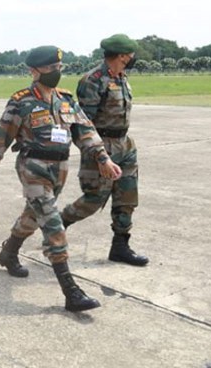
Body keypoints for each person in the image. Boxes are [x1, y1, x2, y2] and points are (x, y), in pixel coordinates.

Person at [0, 46, 122, 312]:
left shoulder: (65, 99)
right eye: (50, 69)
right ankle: (71, 292)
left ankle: (8, 253)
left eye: (58, 68)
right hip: (33, 167)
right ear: (34, 71)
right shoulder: (22, 101)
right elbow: (1, 137)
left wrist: (104, 159)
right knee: (53, 224)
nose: (56, 73)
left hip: (60, 168)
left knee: (33, 215)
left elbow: (85, 131)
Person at [60, 34, 149, 267]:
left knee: (127, 197)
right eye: (130, 55)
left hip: (125, 144)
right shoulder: (93, 80)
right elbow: (81, 124)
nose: (132, 58)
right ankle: (58, 223)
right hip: (101, 144)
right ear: (120, 56)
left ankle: (120, 246)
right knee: (94, 199)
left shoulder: (121, 77)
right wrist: (99, 157)